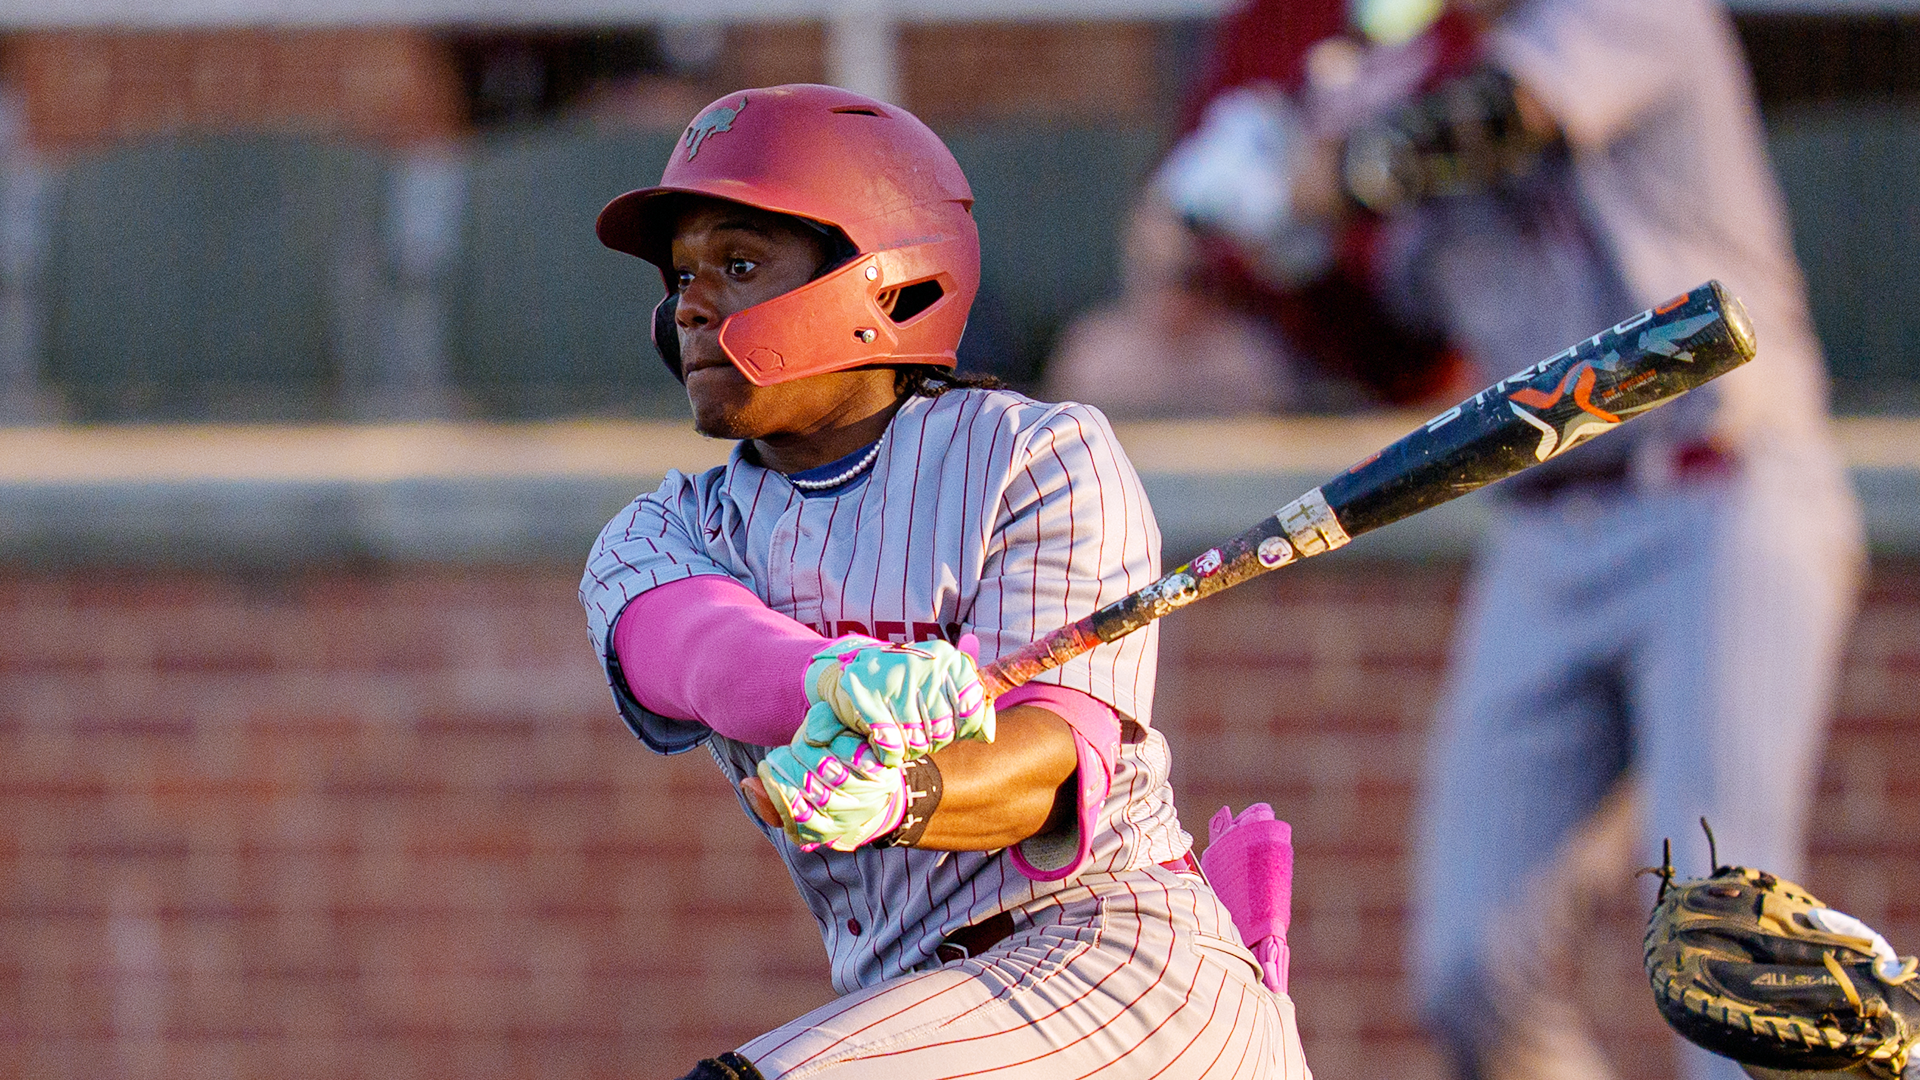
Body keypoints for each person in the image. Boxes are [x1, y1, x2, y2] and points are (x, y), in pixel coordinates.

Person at [1157, 0, 1865, 1078]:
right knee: (1470, 973)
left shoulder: (1615, 16)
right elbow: (1399, 354)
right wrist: (1267, 251)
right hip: (1545, 526)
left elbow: (1493, 120)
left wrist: (1315, 169)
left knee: (1725, 938)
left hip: (1719, 493)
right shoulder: (1408, 74)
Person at [578, 84, 1313, 1080]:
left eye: (739, 265)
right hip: (927, 1003)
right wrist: (835, 681)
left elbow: (1048, 765)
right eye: (682, 278)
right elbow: (702, 651)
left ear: (888, 283)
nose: (692, 305)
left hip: (1120, 973)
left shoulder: (1040, 457)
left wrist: (903, 789)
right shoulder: (664, 530)